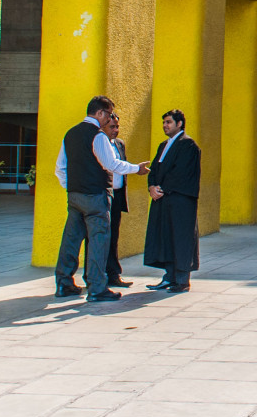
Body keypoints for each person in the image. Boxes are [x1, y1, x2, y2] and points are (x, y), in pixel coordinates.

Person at [54, 96, 147, 303]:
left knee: (71, 239)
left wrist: (72, 187)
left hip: (75, 196)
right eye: (109, 114)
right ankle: (97, 288)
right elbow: (112, 164)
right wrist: (136, 169)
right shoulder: (98, 136)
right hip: (96, 196)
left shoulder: (70, 134)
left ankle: (64, 283)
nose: (110, 119)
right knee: (98, 241)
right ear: (100, 113)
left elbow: (60, 168)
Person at [143, 109, 201, 293]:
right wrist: (152, 187)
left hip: (180, 201)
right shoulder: (163, 146)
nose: (165, 126)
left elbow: (181, 173)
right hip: (163, 200)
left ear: (179, 124)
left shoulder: (188, 145)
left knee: (181, 239)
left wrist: (163, 189)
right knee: (166, 238)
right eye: (164, 122)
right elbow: (154, 170)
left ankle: (182, 280)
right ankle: (169, 277)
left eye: (168, 122)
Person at [102, 112, 131, 289]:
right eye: (112, 126)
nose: (115, 130)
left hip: (117, 196)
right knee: (98, 237)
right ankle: (94, 274)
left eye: (117, 126)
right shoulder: (99, 144)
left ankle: (113, 274)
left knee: (113, 236)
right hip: (103, 196)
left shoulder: (120, 144)